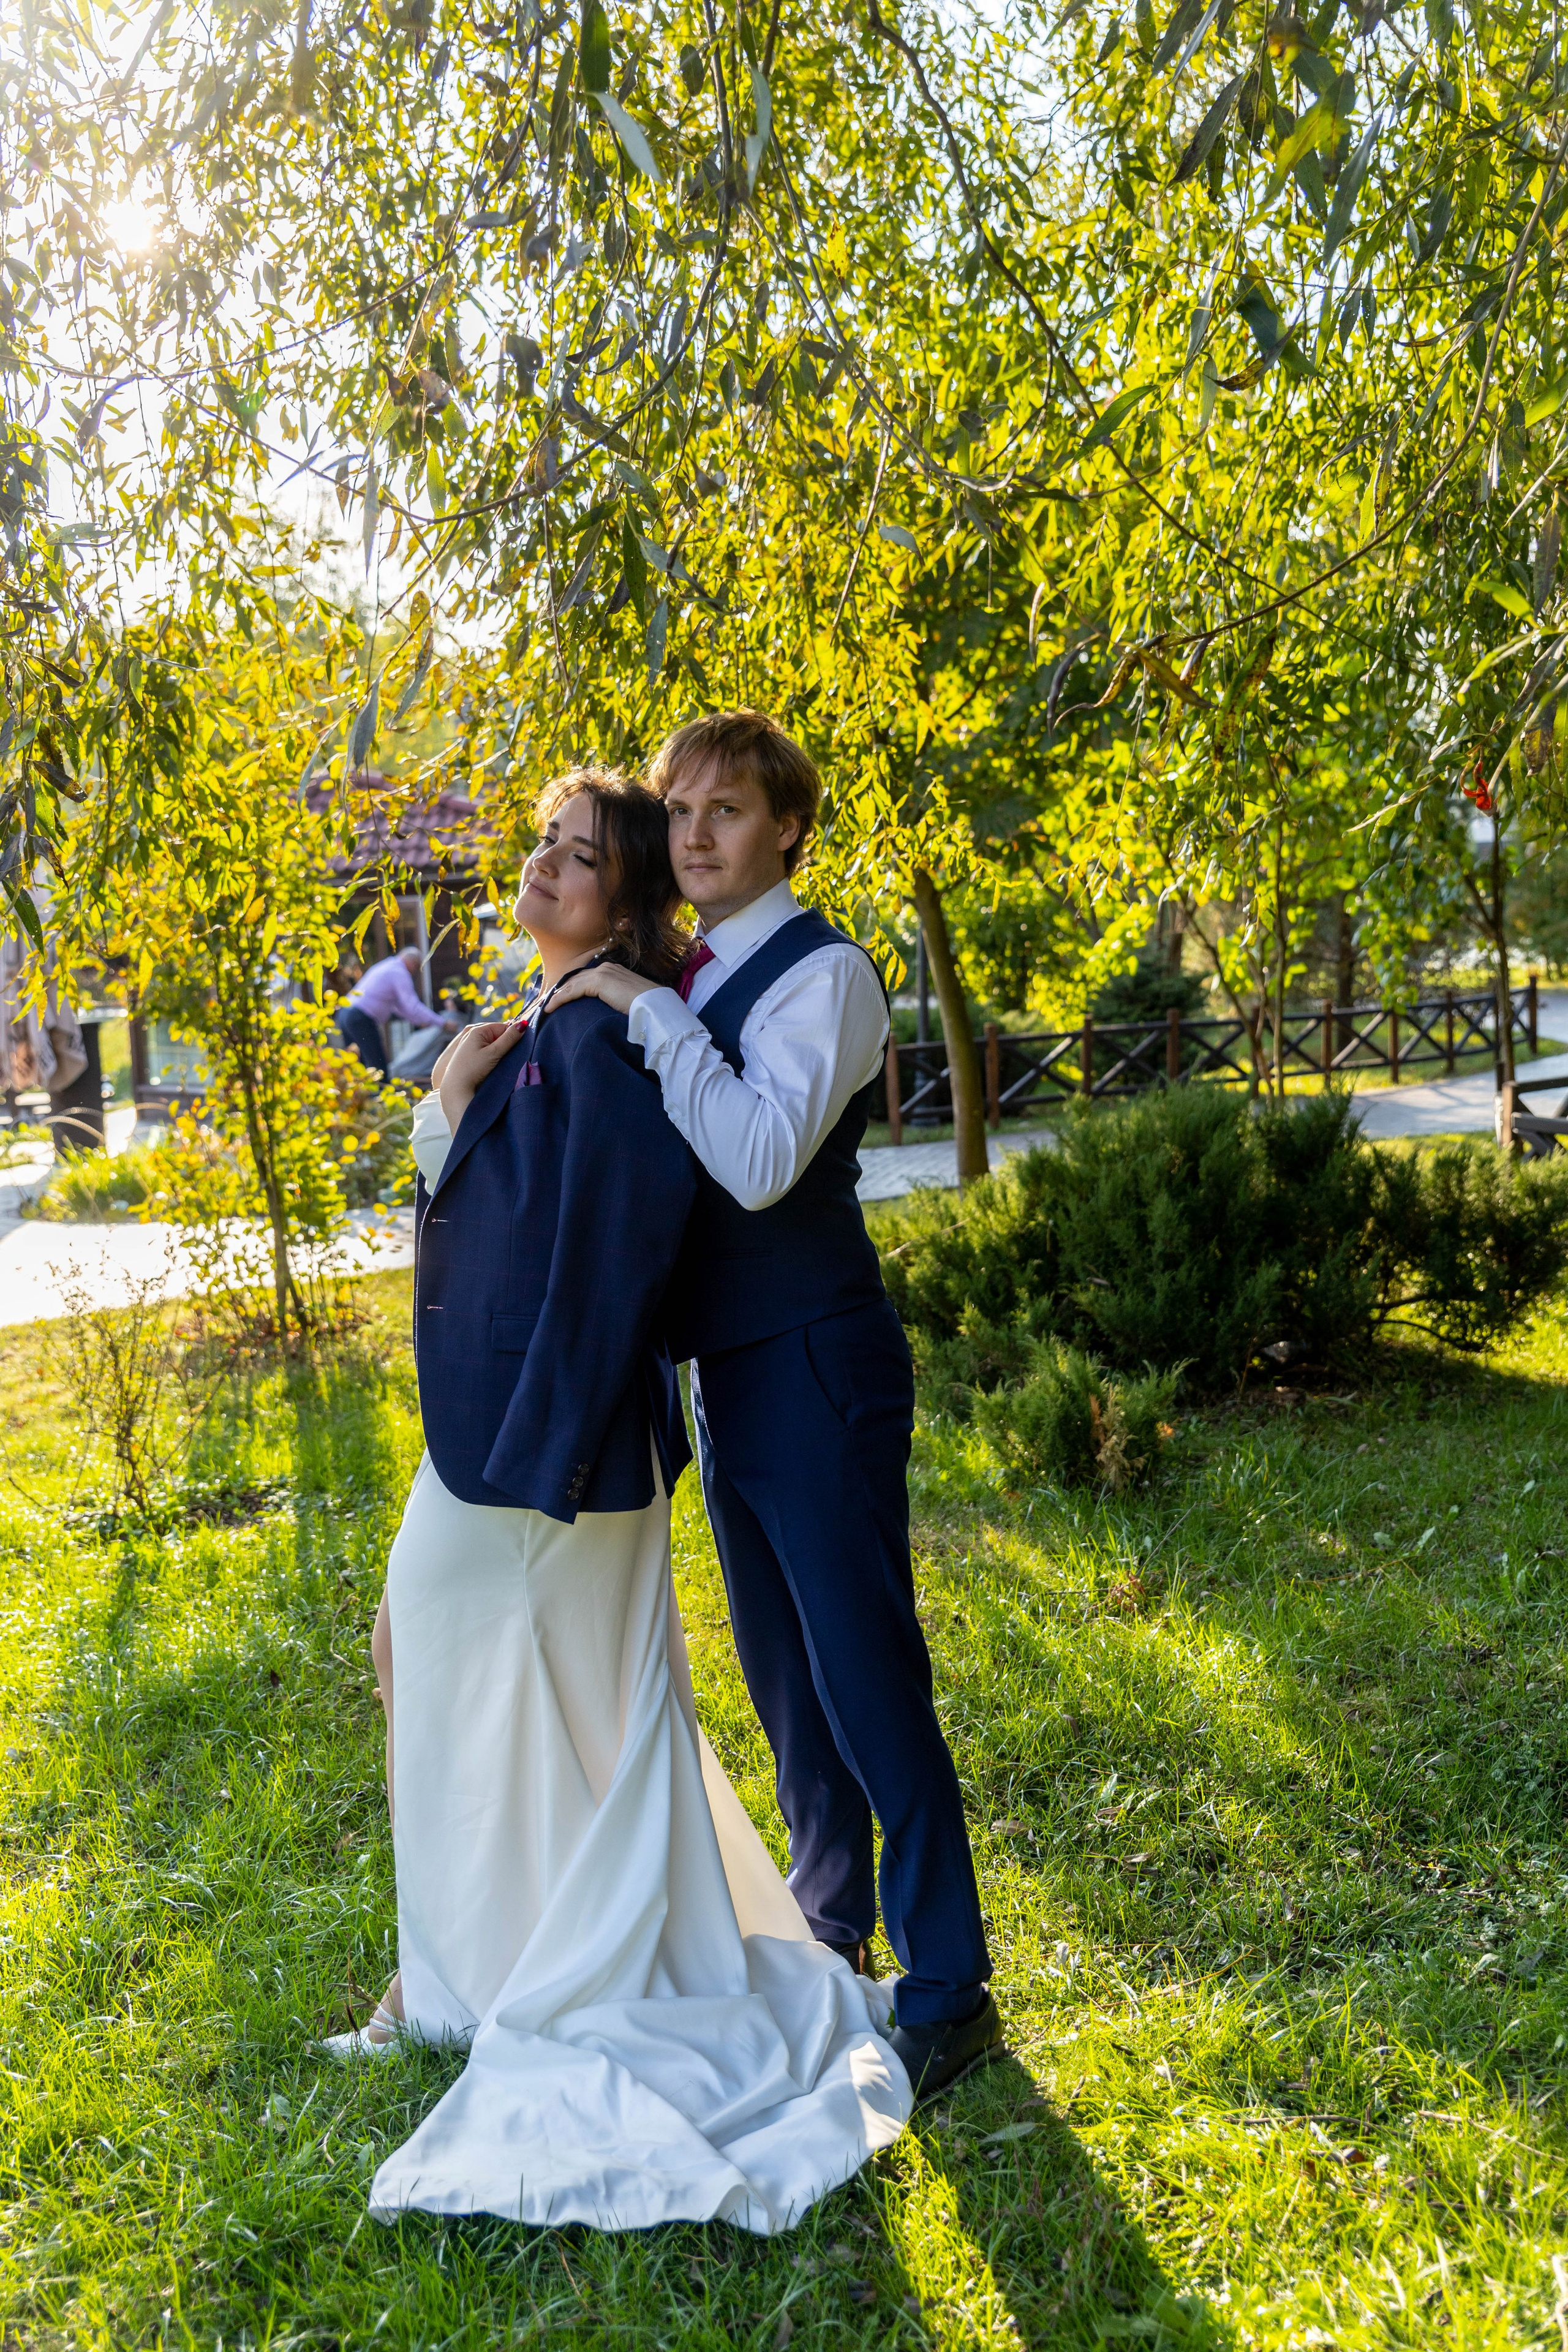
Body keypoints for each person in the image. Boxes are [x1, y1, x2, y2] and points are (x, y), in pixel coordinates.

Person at [325, 767, 912, 2234]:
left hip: (546, 1444)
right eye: (538, 843)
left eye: (576, 857)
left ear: (628, 897)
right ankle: (458, 1964)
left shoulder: (598, 1041)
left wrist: (547, 1449)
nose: (540, 867)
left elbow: (597, 1272)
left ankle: (455, 1980)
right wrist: (458, 1090)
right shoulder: (543, 1024)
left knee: (441, 1658)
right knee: (469, 1672)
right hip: (516, 1429)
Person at [546, 712, 1001, 2103]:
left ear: (786, 827)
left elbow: (751, 1160)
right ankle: (828, 1925)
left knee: (865, 1672)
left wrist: (643, 1010)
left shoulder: (828, 973)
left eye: (725, 811)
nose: (692, 834)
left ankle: (948, 1982)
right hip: (727, 1371)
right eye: (678, 811)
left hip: (814, 1352)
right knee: (785, 1682)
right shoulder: (691, 968)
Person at [335, 944, 457, 1076]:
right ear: (413, 963)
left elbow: (400, 1008)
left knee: (357, 1063)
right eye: (417, 967)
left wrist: (419, 1021)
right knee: (378, 1065)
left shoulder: (388, 966)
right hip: (359, 1017)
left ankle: (361, 1095)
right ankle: (381, 1094)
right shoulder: (399, 973)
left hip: (346, 1014)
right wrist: (442, 1023)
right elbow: (412, 1006)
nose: (415, 972)